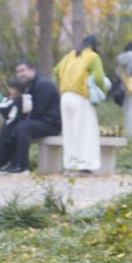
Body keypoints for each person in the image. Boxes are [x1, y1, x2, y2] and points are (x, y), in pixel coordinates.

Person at [0, 60, 61, 174]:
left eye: (23, 70)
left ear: (32, 70)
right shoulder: (27, 86)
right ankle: (2, 163)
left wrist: (19, 116)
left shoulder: (43, 84)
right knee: (10, 125)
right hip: (37, 122)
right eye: (18, 72)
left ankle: (22, 166)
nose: (20, 74)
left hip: (50, 124)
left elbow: (38, 110)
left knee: (22, 127)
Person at [53, 35, 109, 173]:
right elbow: (99, 77)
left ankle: (70, 165)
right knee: (85, 132)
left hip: (65, 96)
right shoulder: (92, 57)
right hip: (81, 96)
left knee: (69, 132)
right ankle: (85, 165)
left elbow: (56, 71)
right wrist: (103, 90)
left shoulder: (70, 55)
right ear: (95, 45)